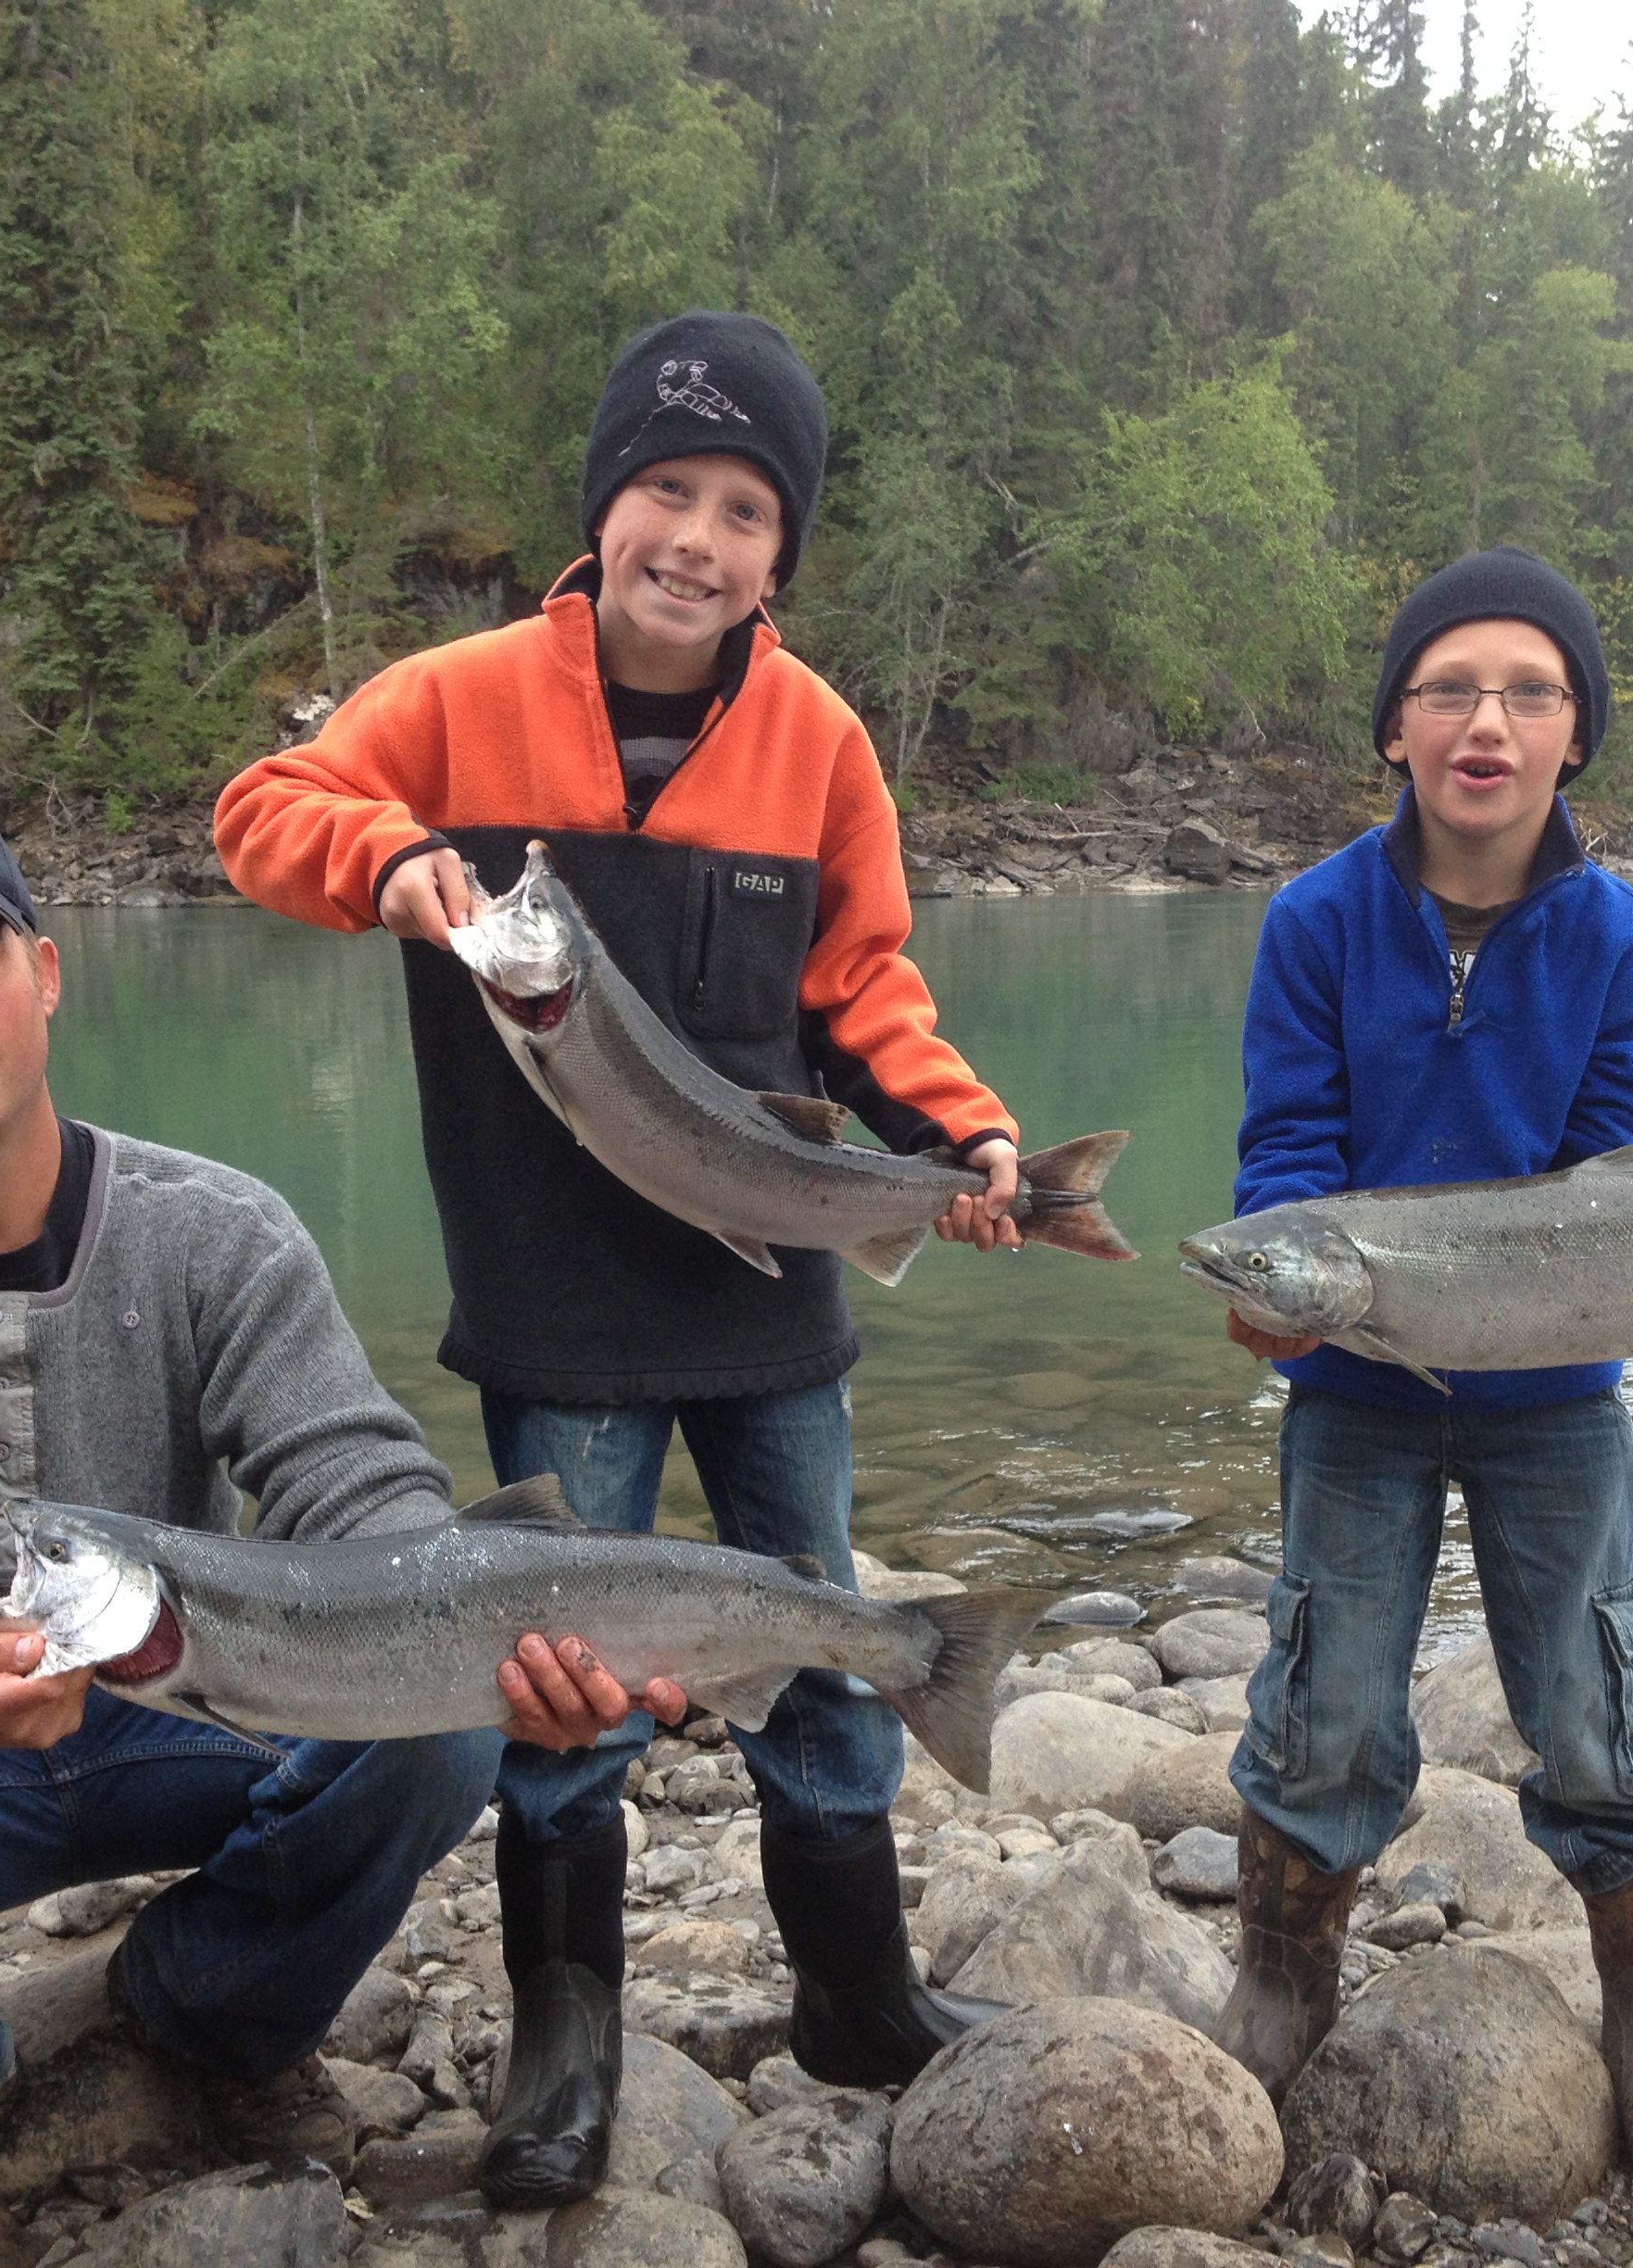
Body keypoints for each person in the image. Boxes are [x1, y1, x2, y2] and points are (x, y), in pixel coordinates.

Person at [0, 786, 678, 2268]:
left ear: (44, 975)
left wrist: (512, 1647)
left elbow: (359, 1491)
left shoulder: (213, 1229)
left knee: (444, 1722)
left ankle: (209, 2014)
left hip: (193, 1699)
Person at [213, 311, 1022, 2208]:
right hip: (551, 1310)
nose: (702, 536)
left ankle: (857, 1995)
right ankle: (564, 2038)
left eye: (748, 510)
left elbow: (866, 989)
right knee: (551, 1681)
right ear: (605, 506)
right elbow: (264, 811)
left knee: (819, 1639)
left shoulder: (817, 738)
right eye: (670, 488)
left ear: (779, 552)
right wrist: (397, 859)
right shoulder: (460, 691)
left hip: (772, 1304)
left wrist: (963, 1141)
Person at [1213, 548, 1633, 2196]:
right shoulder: (1313, 924)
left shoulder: (1624, 946)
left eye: (1531, 693)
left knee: (1611, 1705)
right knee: (1322, 1697)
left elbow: (1622, 1192)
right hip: (1357, 1396)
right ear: (1394, 730)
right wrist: (1272, 1296)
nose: (1490, 721)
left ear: (1575, 739)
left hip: (1558, 1405)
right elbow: (1287, 1174)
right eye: (1451, 689)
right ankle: (1281, 1978)